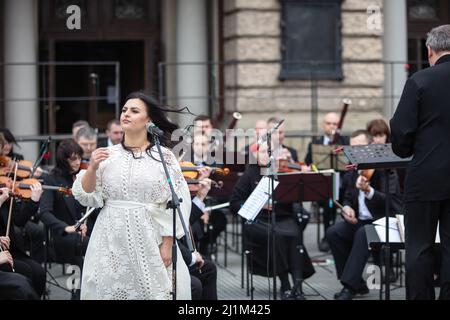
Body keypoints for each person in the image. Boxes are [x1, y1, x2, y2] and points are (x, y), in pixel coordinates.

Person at [72, 91, 192, 300]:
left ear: (149, 120)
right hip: (110, 238)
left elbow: (177, 202)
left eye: (134, 111)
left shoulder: (164, 157)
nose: (126, 114)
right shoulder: (107, 155)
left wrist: (167, 243)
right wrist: (92, 168)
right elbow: (87, 195)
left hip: (149, 239)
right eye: (124, 110)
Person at [390, 24, 450, 300]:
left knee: (419, 245)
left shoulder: (420, 81)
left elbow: (401, 133)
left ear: (430, 50)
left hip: (426, 175)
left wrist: (409, 148)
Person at [230, 141, 315, 300]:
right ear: (255, 155)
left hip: (282, 216)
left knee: (295, 233)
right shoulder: (249, 174)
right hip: (257, 220)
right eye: (263, 152)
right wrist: (256, 205)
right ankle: (285, 284)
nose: (267, 155)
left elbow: (293, 198)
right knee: (276, 235)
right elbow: (234, 203)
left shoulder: (280, 172)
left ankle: (298, 284)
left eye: (270, 152)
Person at [327, 130, 402, 300]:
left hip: (383, 223)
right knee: (334, 233)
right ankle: (358, 283)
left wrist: (369, 191)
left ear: (370, 147)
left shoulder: (385, 169)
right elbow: (347, 196)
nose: (355, 151)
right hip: (360, 221)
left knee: (363, 233)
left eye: (360, 147)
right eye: (352, 148)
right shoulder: (354, 169)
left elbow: (393, 202)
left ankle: (349, 287)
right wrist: (346, 208)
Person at [39, 139, 91, 272]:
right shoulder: (52, 179)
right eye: (73, 159)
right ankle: (80, 289)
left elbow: (87, 206)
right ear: (63, 160)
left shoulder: (81, 176)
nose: (78, 162)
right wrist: (66, 228)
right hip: (63, 235)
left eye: (79, 158)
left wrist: (85, 222)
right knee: (93, 247)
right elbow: (44, 213)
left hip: (83, 229)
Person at [304, 112, 349, 252]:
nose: (331, 126)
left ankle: (344, 236)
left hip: (343, 185)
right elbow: (308, 162)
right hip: (324, 185)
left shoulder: (344, 142)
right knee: (328, 205)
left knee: (346, 205)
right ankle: (327, 236)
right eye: (329, 123)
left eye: (335, 124)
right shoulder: (315, 143)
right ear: (323, 125)